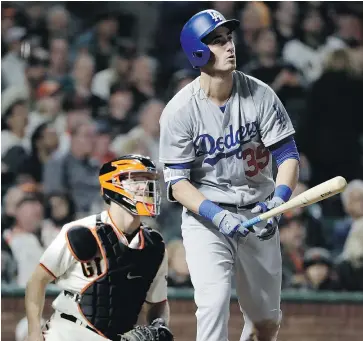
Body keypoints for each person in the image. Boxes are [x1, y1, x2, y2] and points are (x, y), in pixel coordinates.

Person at [159, 9, 300, 341]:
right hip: (207, 218)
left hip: (259, 212)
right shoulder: (180, 111)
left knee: (266, 322)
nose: (229, 47)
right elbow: (177, 183)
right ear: (198, 51)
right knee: (213, 303)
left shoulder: (261, 94)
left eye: (229, 39)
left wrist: (278, 200)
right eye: (217, 41)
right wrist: (216, 215)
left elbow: (288, 156)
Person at [25, 155, 174, 341]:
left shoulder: (155, 246)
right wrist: (33, 332)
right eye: (137, 180)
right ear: (112, 185)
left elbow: (157, 303)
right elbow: (37, 281)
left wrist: (159, 326)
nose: (146, 187)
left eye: (149, 180)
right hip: (68, 332)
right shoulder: (81, 231)